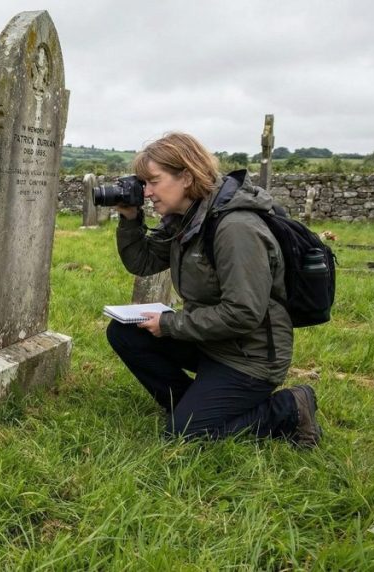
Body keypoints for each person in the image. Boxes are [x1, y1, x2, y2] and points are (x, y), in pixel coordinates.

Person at [105, 132, 322, 447]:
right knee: (124, 332)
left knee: (185, 437)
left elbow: (243, 313)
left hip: (249, 356)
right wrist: (129, 218)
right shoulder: (188, 218)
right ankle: (191, 407)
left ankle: (290, 407)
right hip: (211, 342)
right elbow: (144, 261)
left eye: (153, 181)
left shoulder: (235, 229)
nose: (147, 192)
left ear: (187, 177)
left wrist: (169, 324)